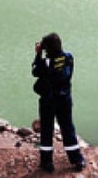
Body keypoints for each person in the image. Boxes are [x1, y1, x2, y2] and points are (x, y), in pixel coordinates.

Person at [32, 32, 86, 173]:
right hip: (65, 99)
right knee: (68, 128)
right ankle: (77, 160)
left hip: (48, 101)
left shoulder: (46, 62)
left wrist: (38, 54)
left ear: (47, 49)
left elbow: (35, 71)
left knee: (47, 131)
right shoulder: (69, 58)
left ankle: (47, 162)